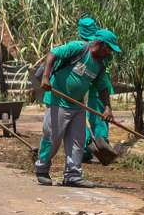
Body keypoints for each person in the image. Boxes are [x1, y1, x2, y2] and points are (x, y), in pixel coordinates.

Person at [35, 28, 121, 187]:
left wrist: (107, 108)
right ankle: (42, 169)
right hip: (57, 100)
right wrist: (46, 77)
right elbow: (53, 54)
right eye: (108, 49)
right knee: (53, 138)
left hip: (78, 105)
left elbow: (102, 87)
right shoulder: (79, 49)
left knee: (77, 141)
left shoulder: (100, 66)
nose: (109, 53)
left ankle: (73, 175)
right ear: (100, 44)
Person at [74, 16, 115, 163]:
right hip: (90, 83)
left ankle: (98, 145)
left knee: (97, 112)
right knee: (90, 113)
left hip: (98, 83)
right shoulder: (95, 43)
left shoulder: (97, 44)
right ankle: (92, 145)